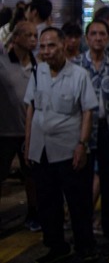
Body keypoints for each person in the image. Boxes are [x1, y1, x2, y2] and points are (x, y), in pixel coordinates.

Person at [24, 27, 99, 263]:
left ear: (63, 45)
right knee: (47, 202)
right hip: (42, 149)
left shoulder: (79, 75)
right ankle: (56, 245)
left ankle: (84, 246)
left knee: (78, 202)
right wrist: (28, 144)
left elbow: (88, 111)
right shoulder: (38, 73)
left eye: (51, 46)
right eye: (42, 47)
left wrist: (82, 144)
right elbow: (31, 108)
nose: (46, 51)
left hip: (68, 149)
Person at [73, 20, 109, 242]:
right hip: (83, 131)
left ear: (108, 38)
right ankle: (83, 232)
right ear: (87, 38)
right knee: (82, 183)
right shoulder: (76, 65)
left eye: (102, 34)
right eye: (93, 34)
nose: (97, 38)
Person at [0, 21, 39, 230]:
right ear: (15, 38)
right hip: (5, 131)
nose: (33, 39)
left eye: (35, 35)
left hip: (30, 131)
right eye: (28, 35)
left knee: (32, 176)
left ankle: (34, 212)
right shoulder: (2, 63)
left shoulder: (38, 65)